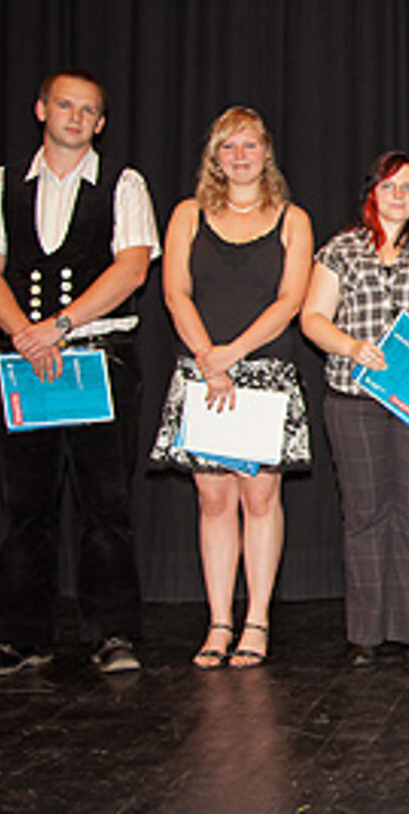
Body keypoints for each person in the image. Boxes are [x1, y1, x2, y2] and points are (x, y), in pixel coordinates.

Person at [0, 67, 159, 676]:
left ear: (100, 123)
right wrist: (25, 333)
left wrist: (60, 327)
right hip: (27, 364)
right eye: (65, 106)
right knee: (26, 503)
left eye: (88, 110)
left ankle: (113, 633)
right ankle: (21, 637)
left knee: (106, 503)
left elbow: (130, 269)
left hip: (99, 358)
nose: (75, 117)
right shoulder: (1, 186)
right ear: (41, 109)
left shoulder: (124, 186)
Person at [150, 107, 313, 669]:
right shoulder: (187, 215)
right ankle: (219, 621)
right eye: (229, 147)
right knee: (213, 499)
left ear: (267, 152)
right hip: (203, 373)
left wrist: (233, 355)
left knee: (260, 499)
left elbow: (291, 301)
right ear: (214, 157)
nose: (240, 156)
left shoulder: (292, 218)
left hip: (264, 375)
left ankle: (257, 621)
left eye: (250, 146)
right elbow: (176, 293)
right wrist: (208, 360)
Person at [301, 151, 409, 668]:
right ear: (371, 191)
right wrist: (351, 347)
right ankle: (365, 634)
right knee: (365, 515)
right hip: (354, 398)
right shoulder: (340, 249)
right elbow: (312, 318)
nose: (399, 196)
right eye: (389, 186)